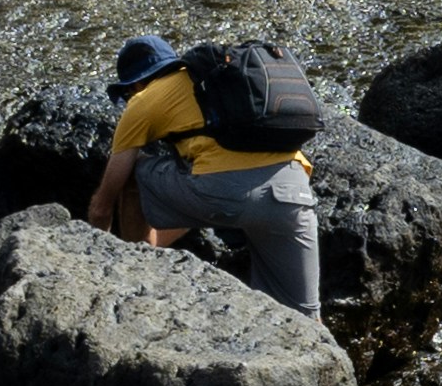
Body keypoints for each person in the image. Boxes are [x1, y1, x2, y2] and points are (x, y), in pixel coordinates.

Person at [92, 29, 330, 316]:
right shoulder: (216, 86)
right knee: (303, 316)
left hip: (222, 194)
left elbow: (104, 203)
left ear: (137, 82)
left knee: (134, 174)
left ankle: (139, 268)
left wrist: (96, 260)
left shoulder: (144, 100)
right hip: (292, 194)